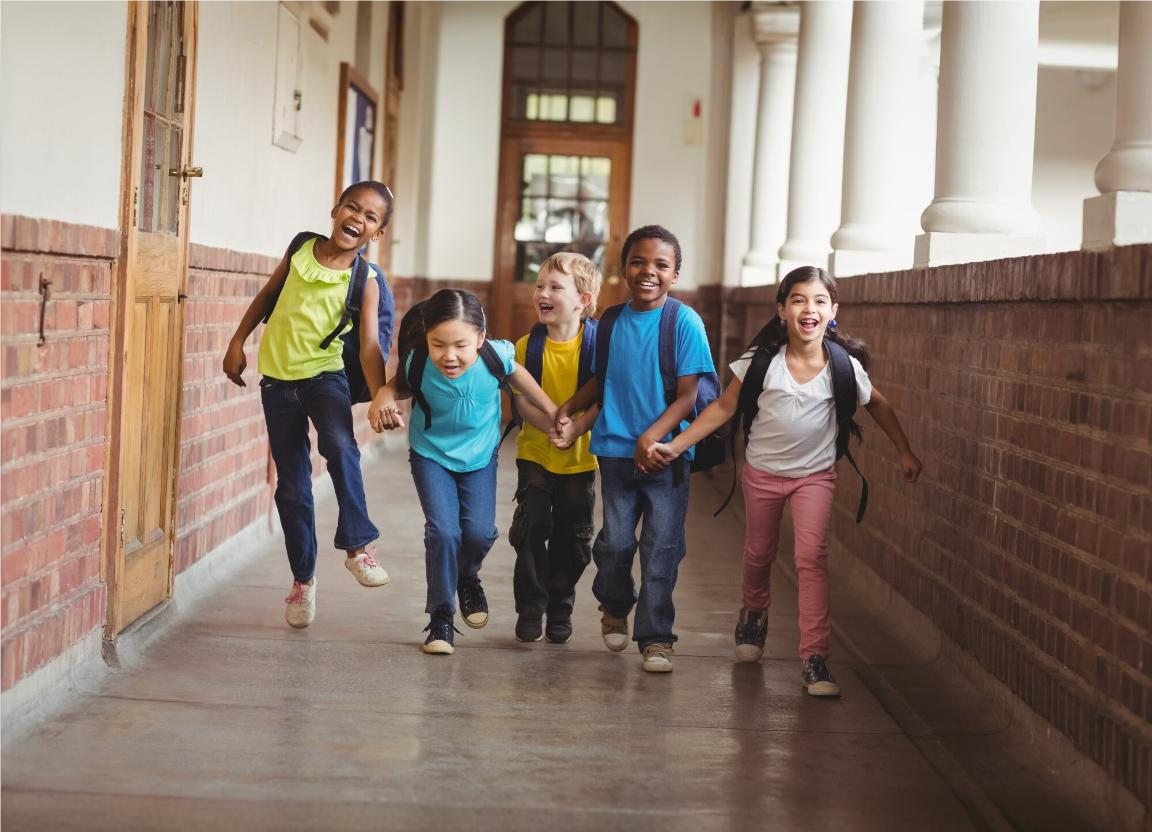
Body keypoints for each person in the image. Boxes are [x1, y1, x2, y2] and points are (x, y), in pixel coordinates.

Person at [645, 265, 923, 697]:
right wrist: (677, 445)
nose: (808, 308)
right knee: (759, 553)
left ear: (833, 311)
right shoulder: (760, 363)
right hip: (763, 474)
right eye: (797, 299)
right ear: (781, 310)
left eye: (818, 301)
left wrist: (904, 450)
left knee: (811, 558)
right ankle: (753, 614)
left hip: (815, 475)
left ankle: (815, 657)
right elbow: (721, 409)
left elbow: (879, 405)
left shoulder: (843, 366)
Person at [222, 181, 396, 629]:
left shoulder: (366, 280)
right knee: (293, 488)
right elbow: (267, 297)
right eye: (352, 208)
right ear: (336, 209)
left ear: (376, 234)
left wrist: (380, 396)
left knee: (340, 445)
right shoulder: (301, 247)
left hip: (325, 377)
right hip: (277, 383)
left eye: (371, 217)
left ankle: (358, 546)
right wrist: (238, 341)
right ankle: (303, 581)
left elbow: (371, 347)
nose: (358, 218)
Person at [553, 225, 715, 673]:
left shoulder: (683, 322)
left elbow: (687, 395)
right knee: (616, 543)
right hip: (616, 452)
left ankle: (657, 638)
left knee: (661, 549)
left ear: (675, 273)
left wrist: (654, 437)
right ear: (622, 269)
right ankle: (615, 603)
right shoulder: (608, 322)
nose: (649, 272)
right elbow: (600, 379)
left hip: (666, 458)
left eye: (661, 265)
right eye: (639, 262)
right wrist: (571, 406)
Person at [372, 289, 557, 655]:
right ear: (427, 338)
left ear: (480, 338)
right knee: (443, 532)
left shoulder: (495, 355)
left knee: (479, 532)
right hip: (431, 454)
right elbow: (398, 385)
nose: (449, 356)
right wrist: (383, 395)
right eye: (438, 344)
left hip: (479, 457)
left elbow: (521, 379)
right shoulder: (419, 360)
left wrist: (553, 413)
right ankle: (441, 616)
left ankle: (466, 576)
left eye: (460, 345)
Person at [508, 253, 602, 645]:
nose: (542, 293)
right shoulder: (527, 346)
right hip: (536, 452)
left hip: (582, 458)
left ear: (583, 299)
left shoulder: (598, 346)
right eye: (539, 285)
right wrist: (551, 425)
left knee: (574, 541)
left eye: (554, 287)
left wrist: (578, 426)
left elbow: (603, 397)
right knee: (530, 531)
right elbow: (519, 401)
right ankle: (531, 605)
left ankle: (560, 602)